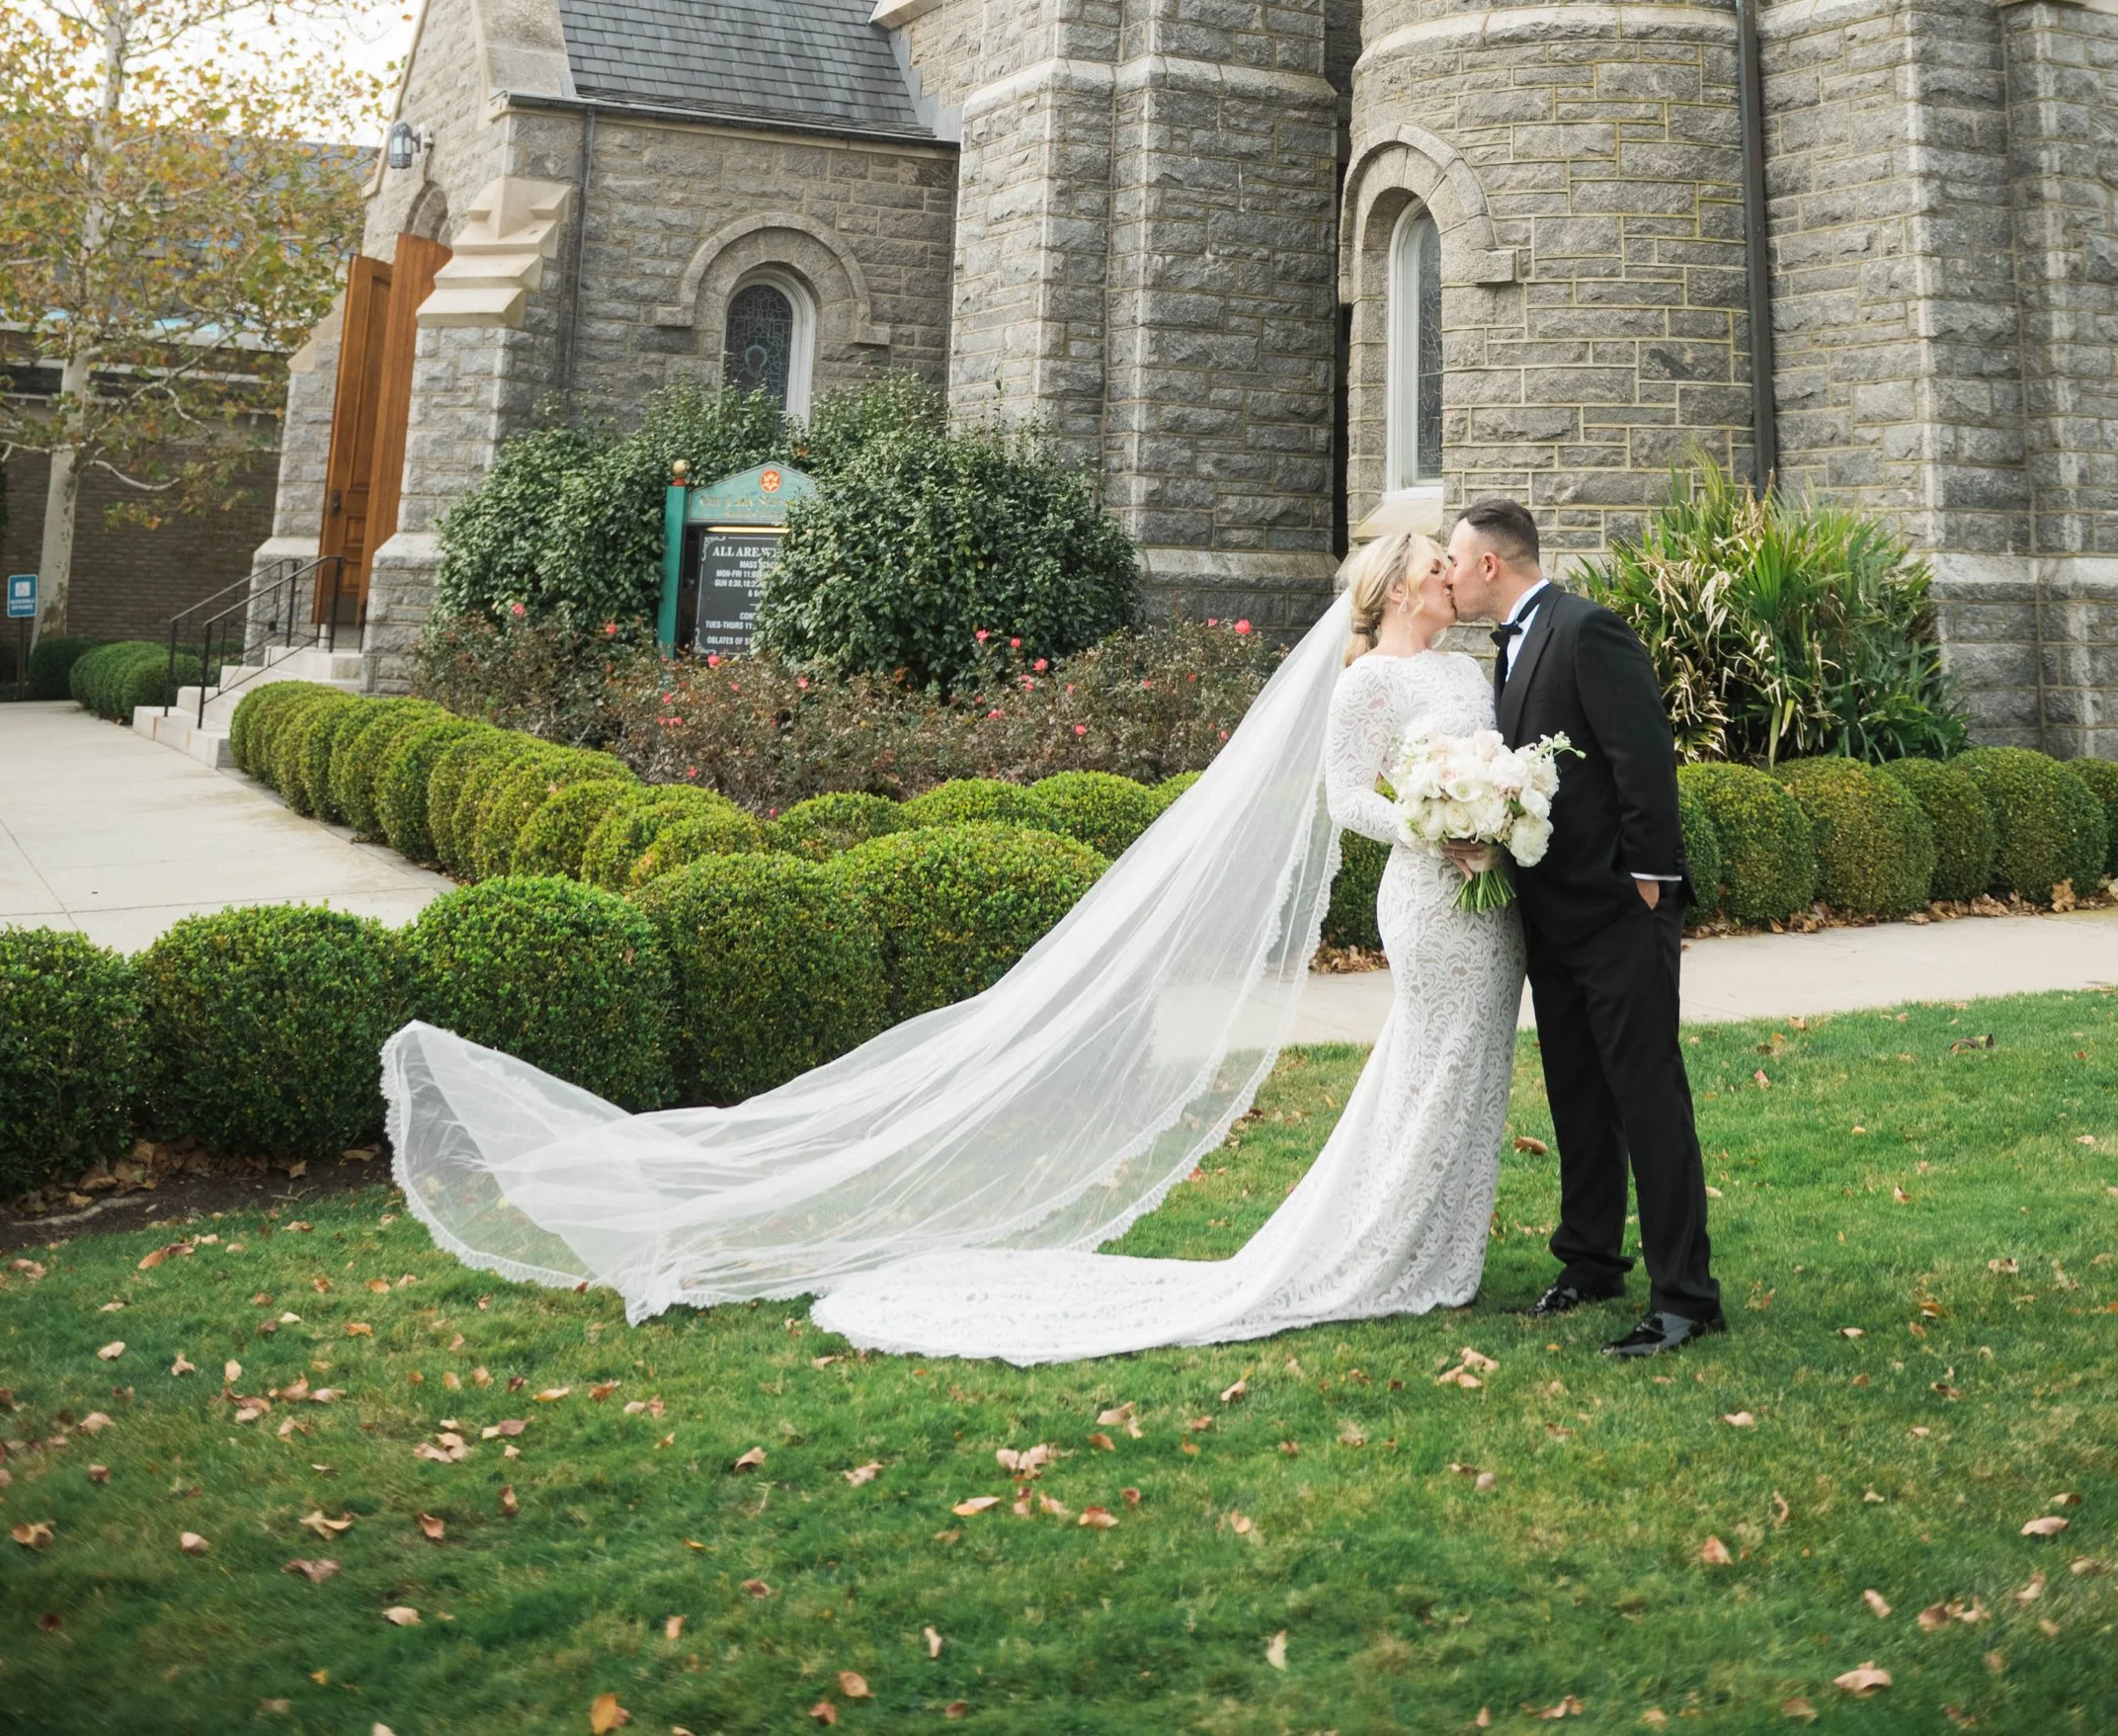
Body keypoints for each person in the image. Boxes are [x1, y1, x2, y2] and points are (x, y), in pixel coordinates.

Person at [379, 523, 1528, 1356]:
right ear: (1395, 584)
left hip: (1485, 896)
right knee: (1429, 1063)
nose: (1449, 568)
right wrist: (1442, 831)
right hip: (1434, 896)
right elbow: (1346, 801)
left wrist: (1502, 804)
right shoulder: (1365, 682)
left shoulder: (1462, 666)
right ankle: (1383, 1247)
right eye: (1436, 558)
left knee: (1464, 1071)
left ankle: (1432, 1243)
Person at [1443, 499, 1724, 1359]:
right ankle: (1592, 1259)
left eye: (1454, 562)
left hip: (1616, 915)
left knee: (1647, 1099)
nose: (1447, 577)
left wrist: (1650, 888)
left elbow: (1644, 761)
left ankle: (1685, 1297)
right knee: (1576, 1092)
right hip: (1549, 915)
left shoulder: (1588, 631)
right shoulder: (1508, 649)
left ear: (1491, 564)